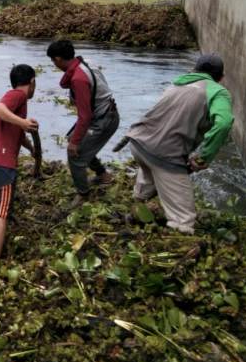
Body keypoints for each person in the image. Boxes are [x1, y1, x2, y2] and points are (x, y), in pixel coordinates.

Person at [123, 53, 234, 234]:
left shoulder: (177, 84)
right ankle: (177, 234)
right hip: (164, 155)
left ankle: (136, 210)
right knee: (183, 219)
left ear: (194, 70)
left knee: (150, 171)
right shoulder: (218, 92)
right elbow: (223, 123)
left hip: (138, 142)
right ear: (221, 78)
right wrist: (204, 157)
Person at [47, 40, 119, 207]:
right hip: (105, 113)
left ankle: (83, 194)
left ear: (58, 59)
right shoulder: (84, 63)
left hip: (104, 119)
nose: (54, 64)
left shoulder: (79, 79)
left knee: (75, 154)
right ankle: (103, 176)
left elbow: (84, 116)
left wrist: (75, 143)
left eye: (53, 61)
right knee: (76, 140)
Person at [0, 64, 39, 260]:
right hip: (1, 160)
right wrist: (24, 123)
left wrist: (31, 148)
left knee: (1, 208)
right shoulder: (18, 95)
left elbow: (17, 132)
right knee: (2, 213)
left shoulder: (19, 102)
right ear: (32, 82)